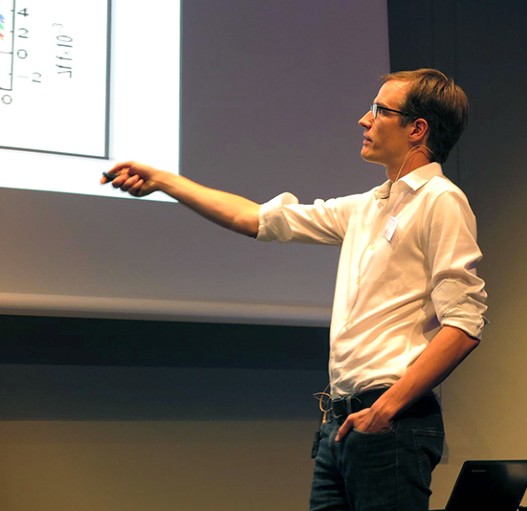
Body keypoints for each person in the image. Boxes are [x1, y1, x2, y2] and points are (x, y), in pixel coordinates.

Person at [102, 68, 488, 511]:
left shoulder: (441, 200)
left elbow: (464, 323)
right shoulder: (368, 206)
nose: (364, 120)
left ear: (417, 129)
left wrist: (386, 408)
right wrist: (165, 181)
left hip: (389, 420)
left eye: (380, 110)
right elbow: (259, 219)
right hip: (341, 424)